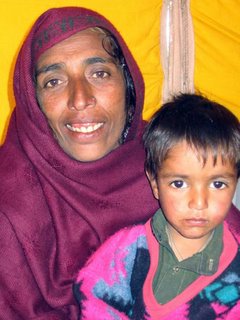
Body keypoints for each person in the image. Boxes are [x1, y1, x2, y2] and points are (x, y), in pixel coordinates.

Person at [0, 6, 159, 319]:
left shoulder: (175, 167)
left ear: (129, 86)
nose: (80, 98)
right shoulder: (8, 202)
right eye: (54, 81)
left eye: (99, 74)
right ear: (32, 101)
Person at [74, 93, 240, 319]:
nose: (198, 202)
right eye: (179, 183)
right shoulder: (126, 251)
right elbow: (95, 299)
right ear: (155, 184)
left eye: (218, 184)